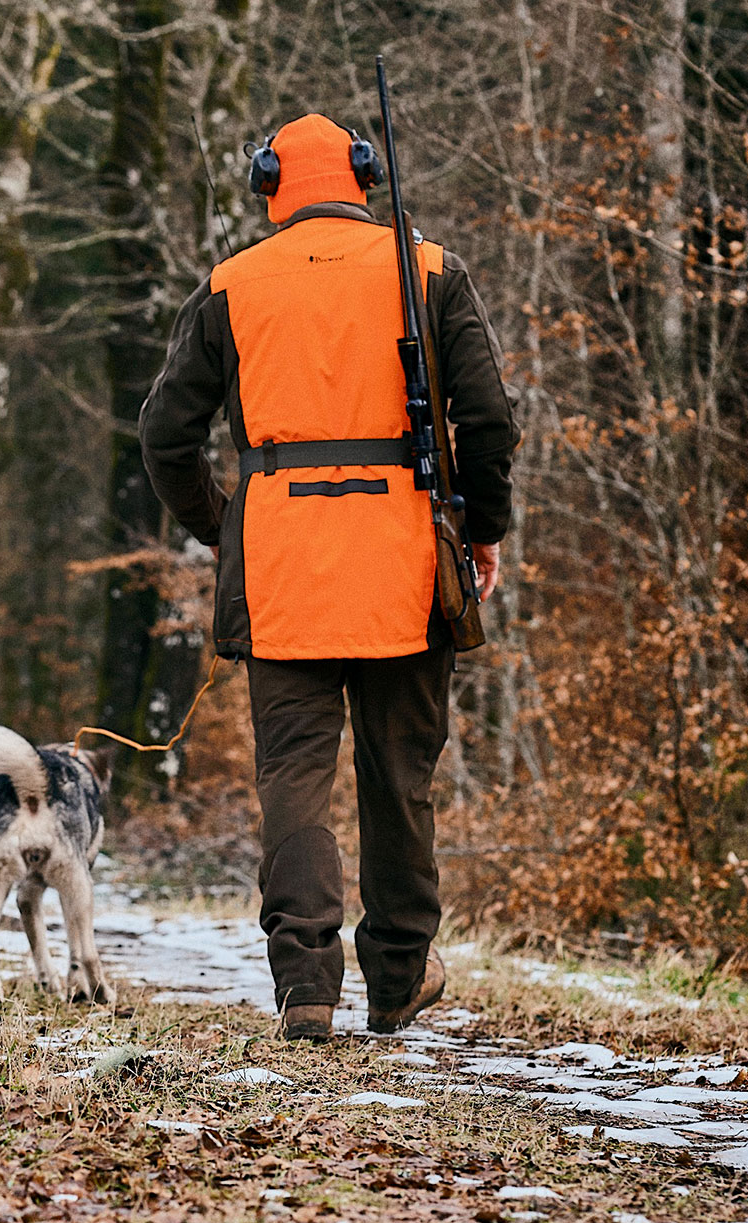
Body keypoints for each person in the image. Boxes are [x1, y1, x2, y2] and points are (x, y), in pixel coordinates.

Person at [138, 112, 518, 1041]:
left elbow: (163, 436)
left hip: (282, 569)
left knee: (295, 778)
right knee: (400, 778)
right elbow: (492, 421)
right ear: (362, 176)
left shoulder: (232, 283)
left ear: (271, 185)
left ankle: (306, 984)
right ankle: (395, 978)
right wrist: (482, 531)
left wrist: (223, 526)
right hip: (404, 563)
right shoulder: (428, 267)